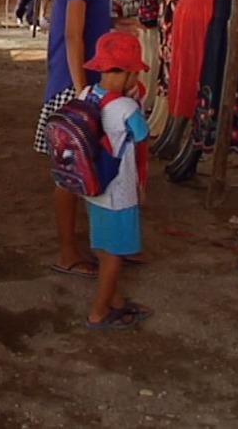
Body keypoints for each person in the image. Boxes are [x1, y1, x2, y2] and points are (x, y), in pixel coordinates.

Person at [34, 0, 120, 279]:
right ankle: (68, 251)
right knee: (68, 172)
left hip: (79, 81)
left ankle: (87, 247)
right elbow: (72, 35)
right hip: (74, 84)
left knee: (78, 168)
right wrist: (84, 90)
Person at [78, 31, 152, 329]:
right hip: (118, 193)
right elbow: (143, 135)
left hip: (92, 186)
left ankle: (116, 299)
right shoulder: (126, 108)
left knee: (103, 247)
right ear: (129, 75)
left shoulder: (85, 94)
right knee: (115, 255)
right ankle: (99, 312)